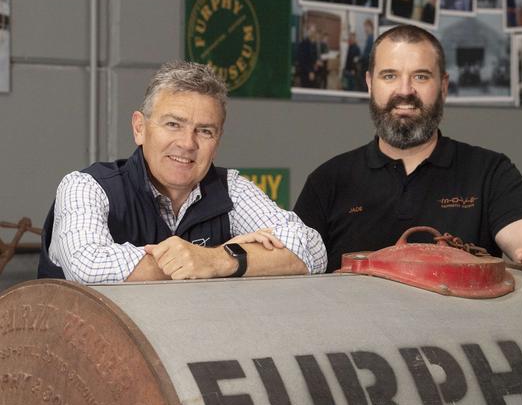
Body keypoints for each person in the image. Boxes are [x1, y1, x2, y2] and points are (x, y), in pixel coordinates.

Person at [294, 25, 522, 279]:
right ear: (369, 83)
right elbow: (294, 266)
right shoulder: (327, 181)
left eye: (421, 76)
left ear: (443, 86)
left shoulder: (489, 171)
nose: (405, 91)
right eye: (390, 76)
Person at [39, 61, 327, 283]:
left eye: (204, 131)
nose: (187, 143)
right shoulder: (87, 186)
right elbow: (87, 266)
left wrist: (218, 260)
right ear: (140, 128)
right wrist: (198, 261)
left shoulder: (232, 190)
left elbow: (312, 251)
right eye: (173, 124)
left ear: (218, 140)